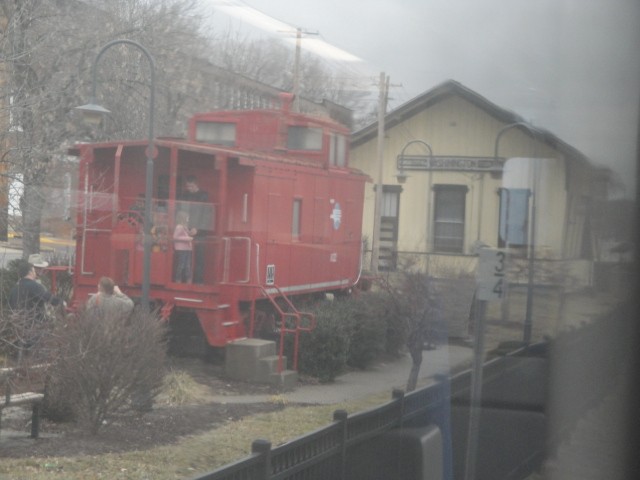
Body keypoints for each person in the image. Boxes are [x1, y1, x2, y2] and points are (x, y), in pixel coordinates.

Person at [9, 255, 64, 351]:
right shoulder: (35, 286)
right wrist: (61, 303)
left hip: (18, 327)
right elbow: (48, 298)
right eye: (36, 269)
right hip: (33, 327)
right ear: (31, 271)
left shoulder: (15, 288)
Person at [180, 175, 210, 283]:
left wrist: (198, 229)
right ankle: (185, 280)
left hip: (200, 233)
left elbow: (206, 215)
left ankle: (198, 281)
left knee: (199, 258)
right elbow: (182, 212)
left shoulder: (204, 196)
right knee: (185, 257)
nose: (189, 189)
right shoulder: (185, 196)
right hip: (186, 231)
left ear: (196, 185)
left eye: (191, 186)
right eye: (188, 186)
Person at [173, 210, 193, 282]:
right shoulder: (179, 227)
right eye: (187, 217)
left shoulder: (184, 227)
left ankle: (188, 280)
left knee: (187, 265)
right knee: (181, 265)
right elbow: (175, 237)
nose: (188, 219)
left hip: (187, 249)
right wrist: (187, 238)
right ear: (183, 218)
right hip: (181, 249)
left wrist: (190, 233)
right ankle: (178, 280)